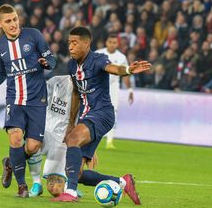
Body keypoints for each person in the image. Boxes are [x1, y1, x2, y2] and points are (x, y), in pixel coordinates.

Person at [51, 26, 151, 204]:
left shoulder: (97, 59)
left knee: (73, 139)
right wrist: (70, 124)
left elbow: (113, 68)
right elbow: (76, 93)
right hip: (86, 116)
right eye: (69, 43)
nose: (70, 47)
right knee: (76, 173)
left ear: (87, 43)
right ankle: (122, 182)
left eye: (75, 43)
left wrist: (127, 70)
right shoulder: (72, 65)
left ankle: (71, 192)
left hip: (102, 113)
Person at [0, 4, 56, 197]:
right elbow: (1, 75)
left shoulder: (33, 35)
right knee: (16, 138)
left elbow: (52, 59)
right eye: (8, 21)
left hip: (37, 100)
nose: (13, 24)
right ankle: (22, 186)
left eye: (15, 19)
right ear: (0, 24)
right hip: (15, 100)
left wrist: (46, 63)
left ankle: (10, 162)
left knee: (33, 147)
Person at [96, 34, 133, 149]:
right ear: (106, 42)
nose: (112, 44)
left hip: (113, 86)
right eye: (110, 42)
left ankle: (110, 141)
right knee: (95, 111)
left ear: (117, 44)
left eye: (114, 42)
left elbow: (125, 74)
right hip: (98, 85)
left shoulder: (121, 57)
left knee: (113, 112)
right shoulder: (98, 54)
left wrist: (130, 90)